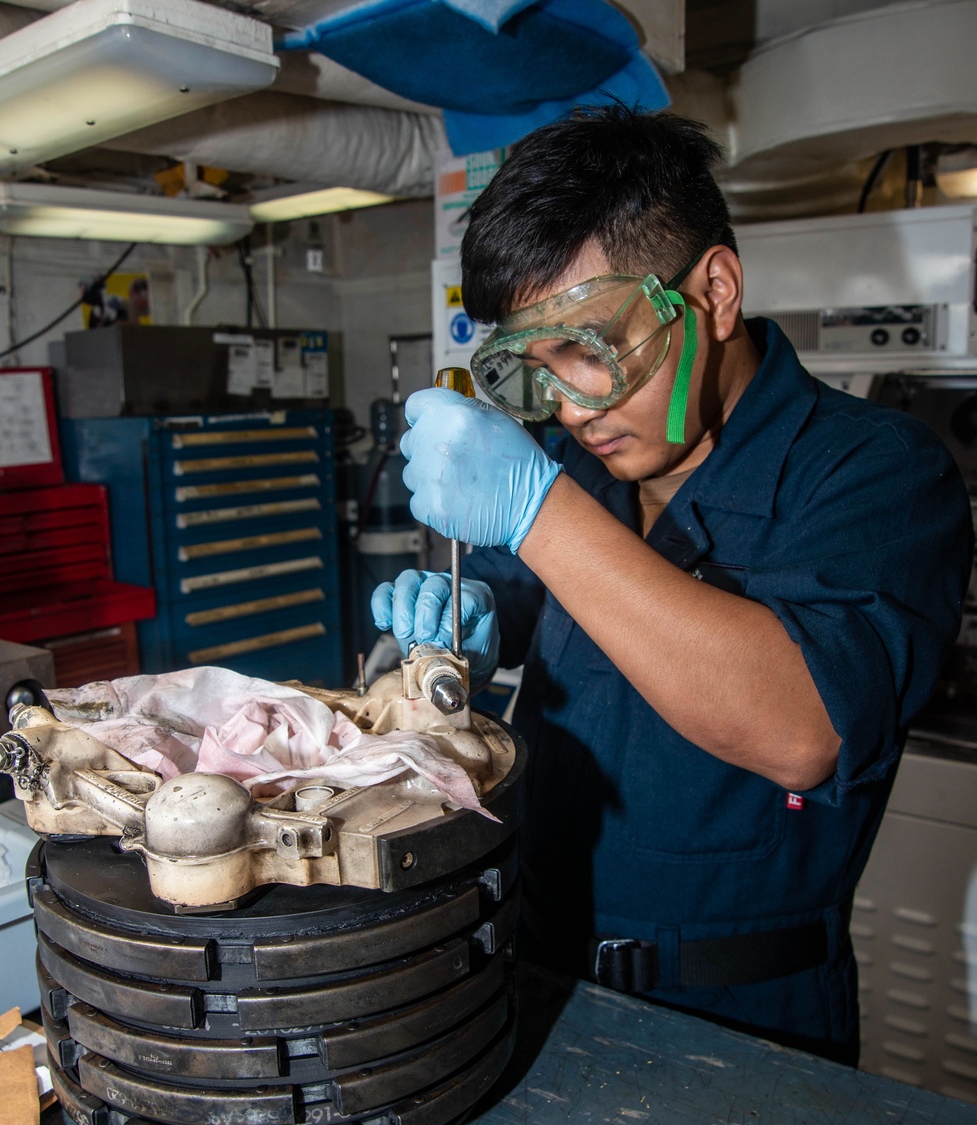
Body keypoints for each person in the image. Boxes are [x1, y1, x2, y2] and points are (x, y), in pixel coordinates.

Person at [371, 105, 974, 1065]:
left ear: (715, 293)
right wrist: (443, 631)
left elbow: (801, 729)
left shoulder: (875, 475)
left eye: (589, 349)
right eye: (534, 371)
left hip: (745, 1026)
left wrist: (535, 511)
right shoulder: (592, 477)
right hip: (529, 970)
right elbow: (497, 595)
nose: (569, 409)